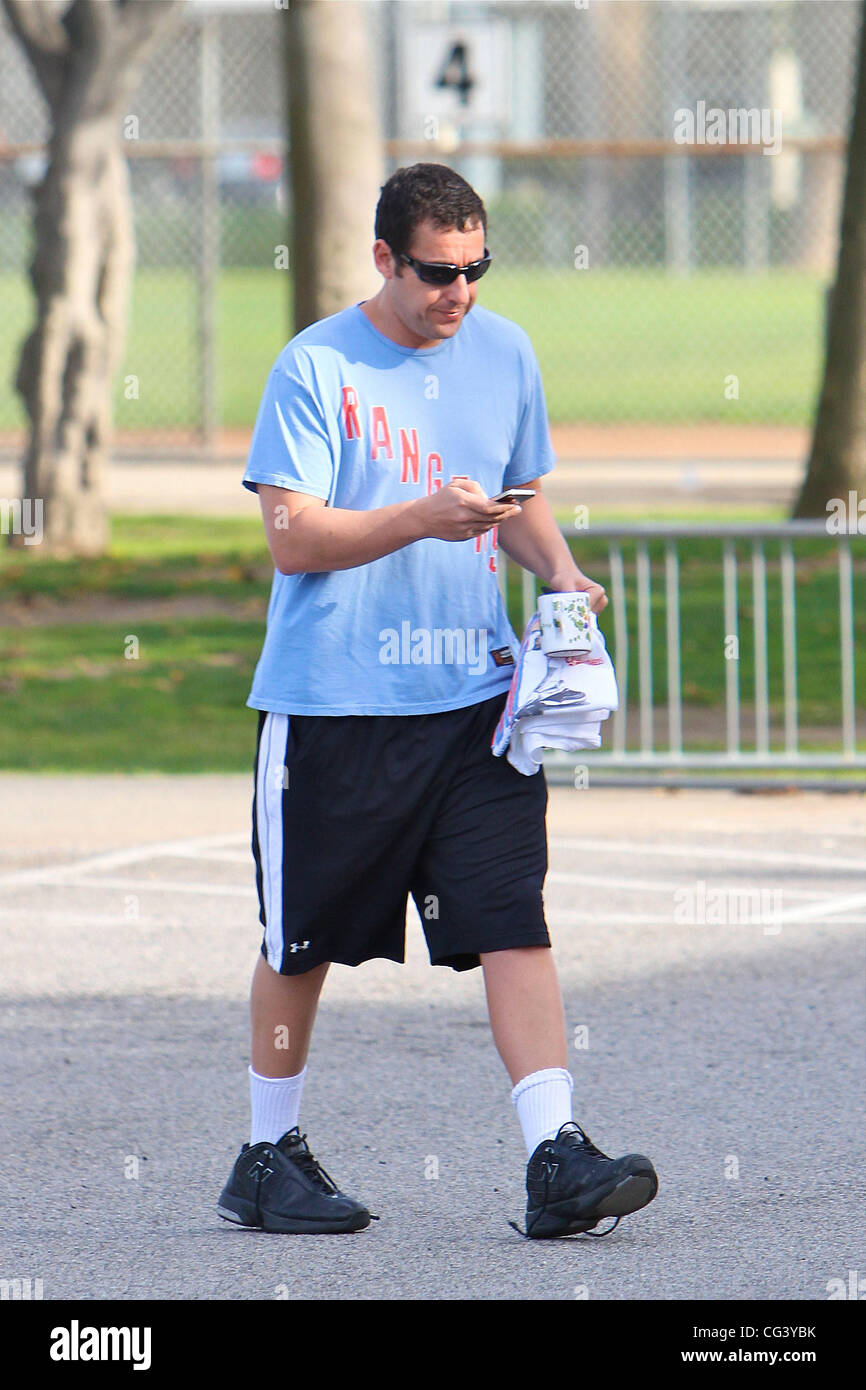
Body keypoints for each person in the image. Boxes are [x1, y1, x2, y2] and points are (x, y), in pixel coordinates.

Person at [217, 163, 658, 1239]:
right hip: (337, 707)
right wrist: (417, 517)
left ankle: (554, 1155)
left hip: (475, 701)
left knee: (512, 922)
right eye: (433, 272)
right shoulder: (315, 364)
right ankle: (265, 1154)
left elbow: (516, 497)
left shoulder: (502, 352)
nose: (456, 293)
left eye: (473, 269)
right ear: (382, 258)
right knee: (298, 943)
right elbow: (292, 536)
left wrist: (556, 570)